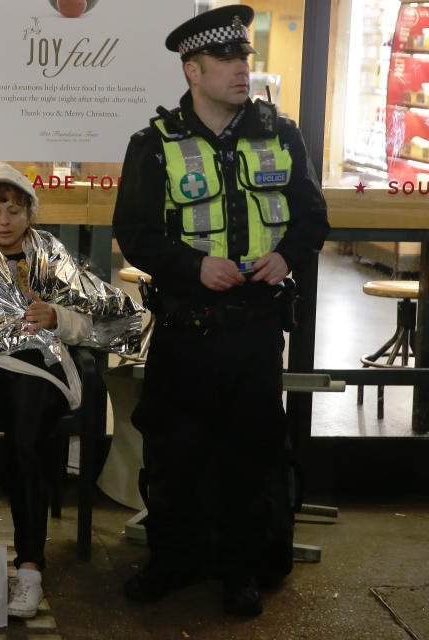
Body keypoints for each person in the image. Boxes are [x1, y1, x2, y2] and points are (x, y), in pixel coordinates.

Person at [112, 5, 330, 616]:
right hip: (185, 331)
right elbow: (133, 231)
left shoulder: (280, 135)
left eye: (245, 59)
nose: (242, 69)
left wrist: (287, 256)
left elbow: (312, 218)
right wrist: (191, 266)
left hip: (256, 329)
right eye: (229, 60)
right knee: (174, 453)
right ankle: (170, 563)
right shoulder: (152, 144)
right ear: (194, 71)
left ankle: (242, 571)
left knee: (251, 454)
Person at [0, 162, 143, 618]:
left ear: (29, 214)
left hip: (40, 367)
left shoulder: (50, 253)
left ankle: (30, 567)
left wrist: (60, 317)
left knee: (26, 438)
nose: (4, 221)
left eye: (13, 210)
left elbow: (109, 311)